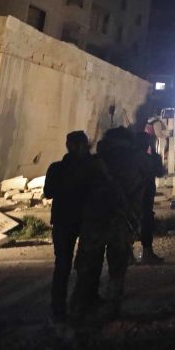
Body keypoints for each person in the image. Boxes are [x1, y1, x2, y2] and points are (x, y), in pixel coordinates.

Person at [71, 127, 147, 321]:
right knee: (117, 269)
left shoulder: (94, 163)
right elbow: (139, 195)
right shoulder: (133, 163)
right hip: (119, 223)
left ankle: (82, 308)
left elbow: (79, 193)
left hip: (94, 222)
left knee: (88, 266)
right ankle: (111, 309)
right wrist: (135, 223)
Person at [43, 131, 105, 330]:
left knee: (65, 266)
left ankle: (61, 310)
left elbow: (48, 192)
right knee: (86, 263)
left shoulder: (57, 168)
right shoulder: (92, 166)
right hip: (82, 221)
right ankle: (82, 304)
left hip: (66, 221)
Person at [137, 132, 166, 264]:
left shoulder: (132, 158)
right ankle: (146, 253)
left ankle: (129, 254)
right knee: (146, 220)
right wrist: (155, 158)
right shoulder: (147, 159)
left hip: (135, 196)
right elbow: (159, 172)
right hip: (144, 195)